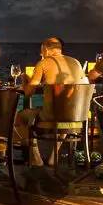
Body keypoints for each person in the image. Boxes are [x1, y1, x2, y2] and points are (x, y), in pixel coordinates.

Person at [15, 37, 87, 166]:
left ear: (46, 49)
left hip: (51, 116)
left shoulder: (43, 63)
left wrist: (25, 79)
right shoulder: (76, 62)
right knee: (65, 113)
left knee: (21, 116)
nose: (40, 54)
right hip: (76, 116)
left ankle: (36, 158)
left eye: (41, 51)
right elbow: (83, 84)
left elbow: (28, 93)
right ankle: (53, 157)